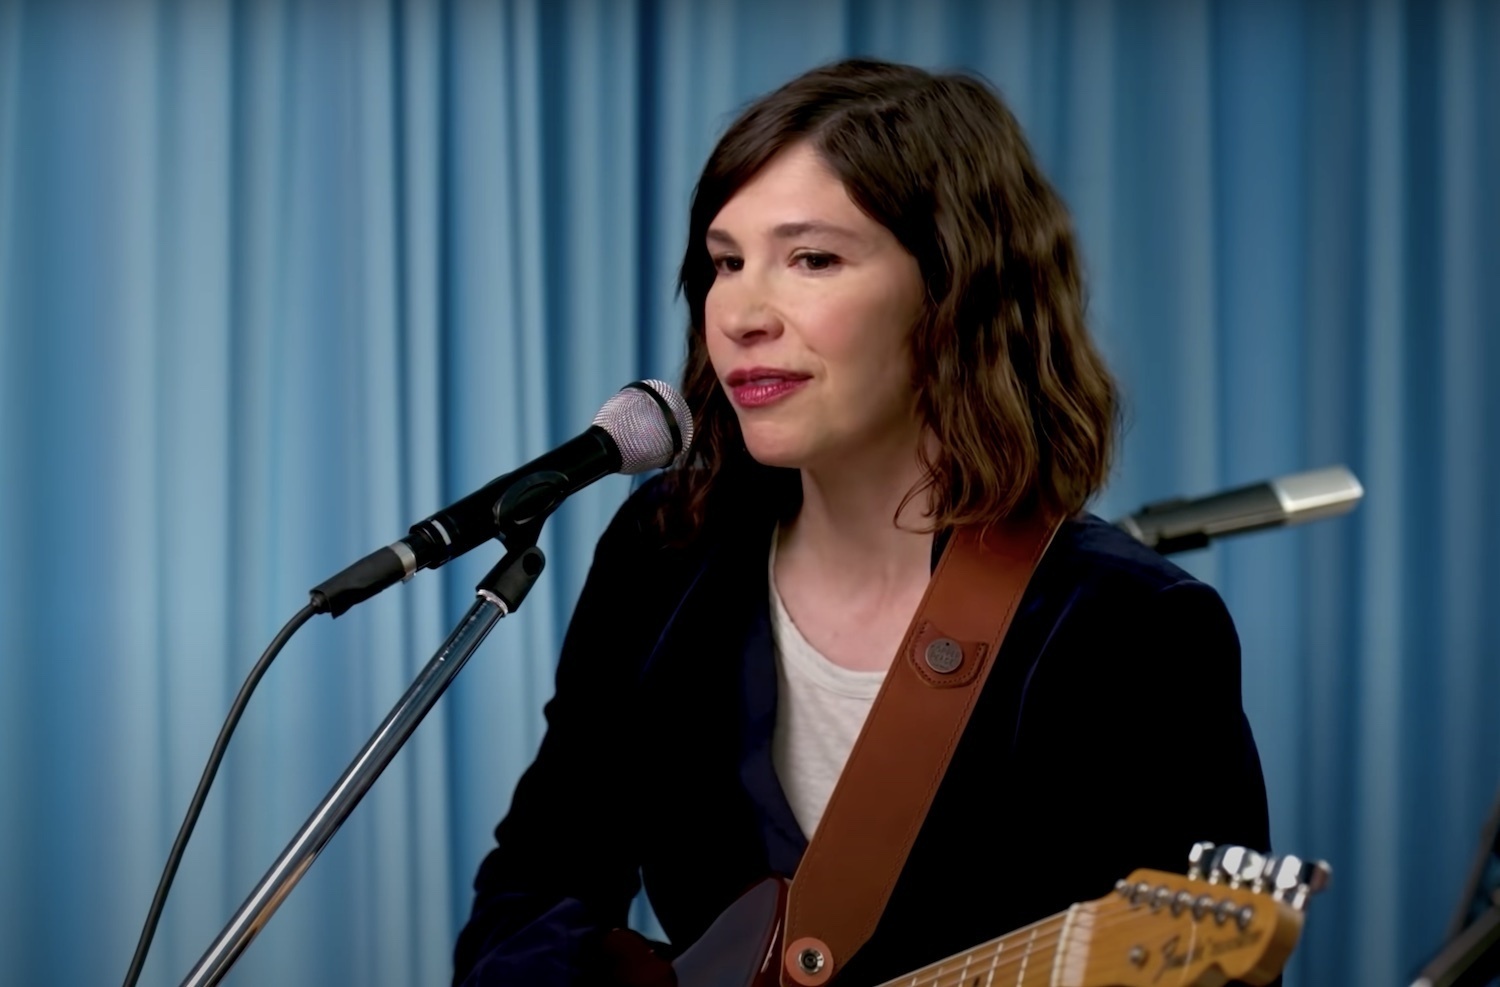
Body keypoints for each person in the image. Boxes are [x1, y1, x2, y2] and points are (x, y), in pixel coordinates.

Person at [453, 57, 1272, 987]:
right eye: (726, 263)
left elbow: (1208, 965)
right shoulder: (665, 550)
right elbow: (536, 883)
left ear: (954, 291)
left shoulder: (1125, 626)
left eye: (813, 258)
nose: (742, 313)